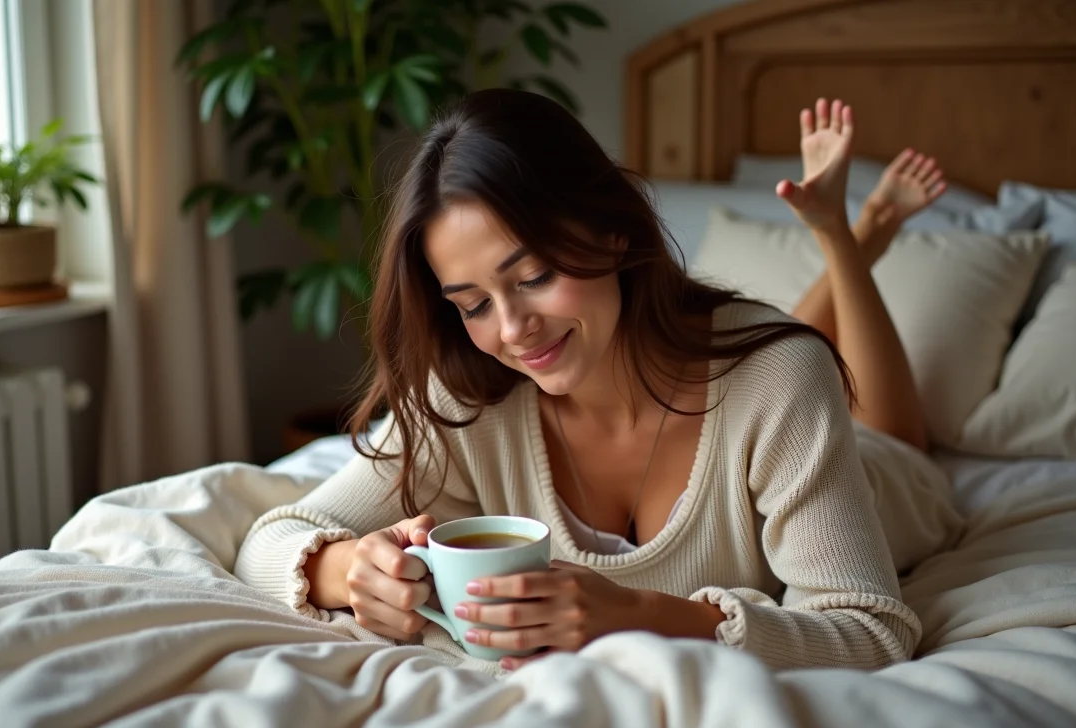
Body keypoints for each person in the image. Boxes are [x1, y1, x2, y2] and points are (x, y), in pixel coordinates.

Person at [234, 90, 958, 672]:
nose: (513, 329)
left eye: (535, 276)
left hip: (888, 483)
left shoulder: (780, 381)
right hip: (763, 386)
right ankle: (848, 239)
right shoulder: (472, 390)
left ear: (613, 231)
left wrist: (642, 615)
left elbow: (870, 631)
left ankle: (847, 240)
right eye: (475, 304)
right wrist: (346, 570)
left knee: (843, 399)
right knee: (773, 348)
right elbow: (272, 540)